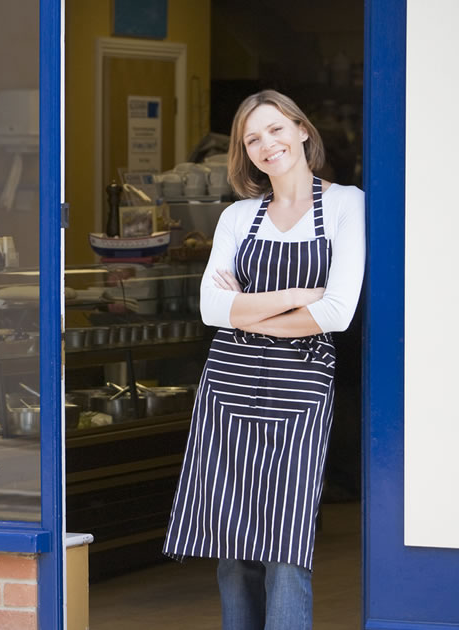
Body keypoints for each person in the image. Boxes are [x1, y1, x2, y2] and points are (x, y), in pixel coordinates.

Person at [163, 89, 366, 630]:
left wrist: (245, 311)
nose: (266, 144)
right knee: (232, 548)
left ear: (302, 129)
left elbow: (338, 313)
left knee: (286, 547)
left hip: (301, 389)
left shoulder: (348, 203)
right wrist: (296, 295)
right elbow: (211, 307)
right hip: (228, 387)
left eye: (276, 130)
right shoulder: (237, 216)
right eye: (252, 138)